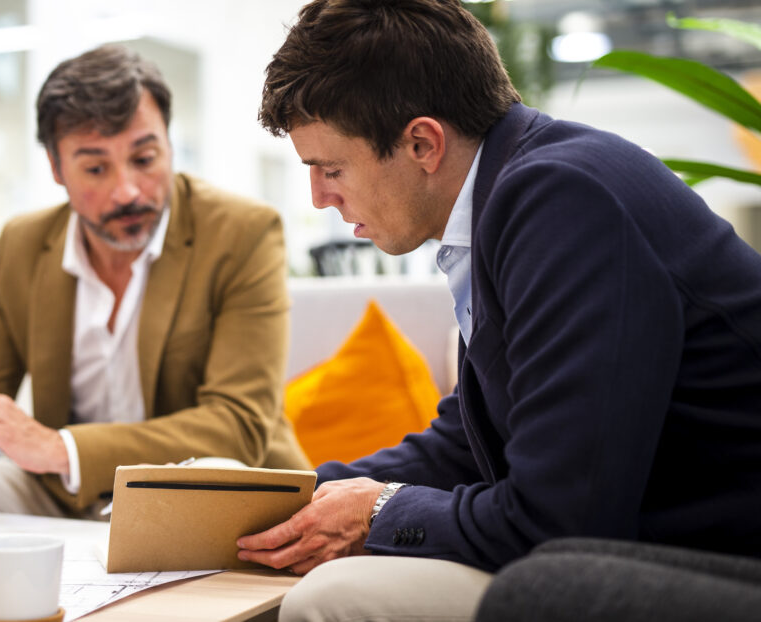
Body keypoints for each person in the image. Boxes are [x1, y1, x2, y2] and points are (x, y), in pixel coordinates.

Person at [235, 0, 761, 620]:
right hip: (645, 545)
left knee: (333, 599)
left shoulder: (564, 204)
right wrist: (288, 499)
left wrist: (379, 511)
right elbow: (468, 443)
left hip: (719, 562)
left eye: (331, 167)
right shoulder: (517, 197)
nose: (320, 197)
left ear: (422, 142)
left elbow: (561, 520)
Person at [0, 44, 310, 518]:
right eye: (95, 168)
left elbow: (237, 425)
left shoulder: (243, 233)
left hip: (195, 490)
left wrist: (60, 448)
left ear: (170, 145)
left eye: (145, 158)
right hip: (65, 495)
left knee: (215, 470)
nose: (128, 190)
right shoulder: (23, 244)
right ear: (56, 169)